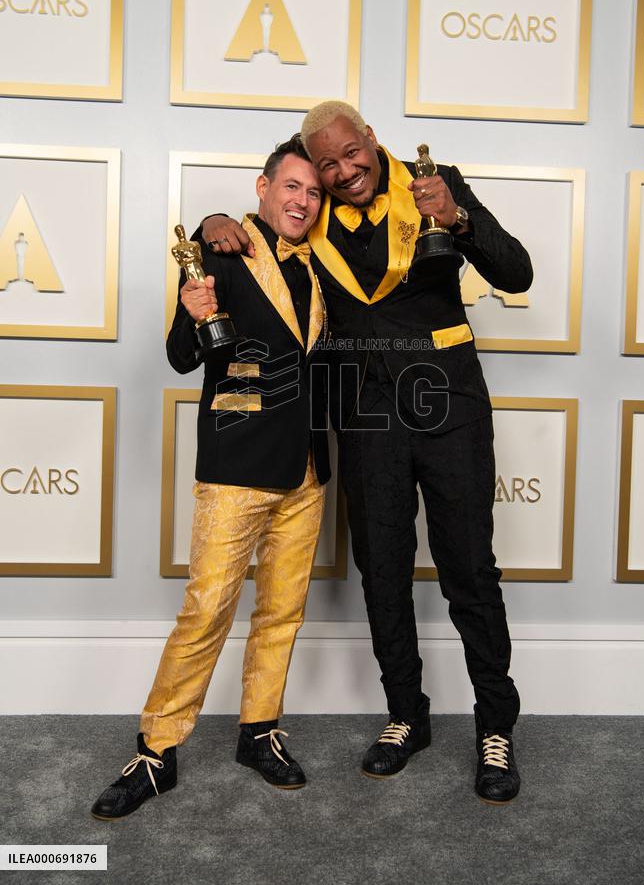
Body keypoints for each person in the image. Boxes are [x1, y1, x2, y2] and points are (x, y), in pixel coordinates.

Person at [200, 103, 533, 805]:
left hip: (450, 405)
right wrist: (212, 223)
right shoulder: (312, 210)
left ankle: (496, 727)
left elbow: (517, 274)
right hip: (365, 412)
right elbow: (263, 219)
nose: (345, 172)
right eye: (327, 165)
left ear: (372, 141)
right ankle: (406, 715)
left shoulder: (431, 184)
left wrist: (462, 219)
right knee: (382, 569)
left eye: (353, 154)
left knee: (469, 567)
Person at [91, 136, 330, 820]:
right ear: (262, 187)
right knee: (207, 611)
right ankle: (156, 751)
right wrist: (196, 319)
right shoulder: (219, 247)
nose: (303, 201)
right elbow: (175, 356)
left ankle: (259, 733)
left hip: (307, 468)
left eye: (312, 193)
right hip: (235, 465)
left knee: (282, 611)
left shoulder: (320, 264)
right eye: (291, 187)